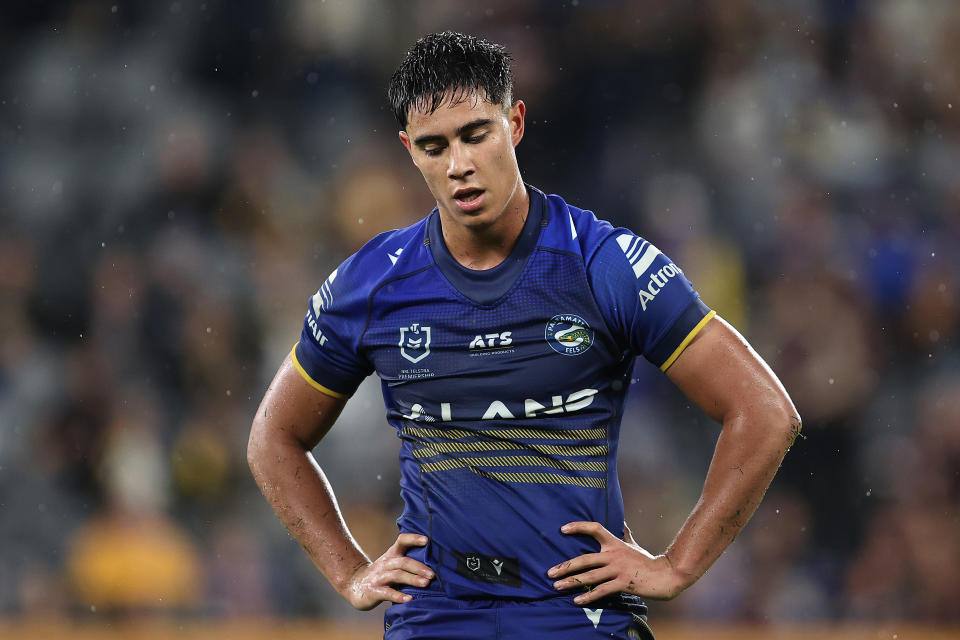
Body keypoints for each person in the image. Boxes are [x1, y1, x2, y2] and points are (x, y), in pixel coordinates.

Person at [247, 30, 801, 640]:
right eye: (433, 146)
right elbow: (274, 437)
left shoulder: (604, 265)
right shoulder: (373, 284)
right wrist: (349, 571)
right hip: (437, 613)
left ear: (514, 122)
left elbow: (765, 412)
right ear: (409, 150)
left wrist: (677, 565)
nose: (457, 165)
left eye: (474, 134)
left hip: (576, 613)